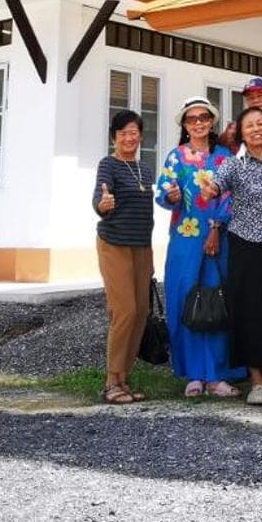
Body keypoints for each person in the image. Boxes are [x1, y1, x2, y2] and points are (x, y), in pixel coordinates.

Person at [199, 107, 262, 404]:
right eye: (249, 126)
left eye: (260, 124)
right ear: (241, 134)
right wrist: (209, 189)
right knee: (249, 311)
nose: (256, 129)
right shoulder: (234, 164)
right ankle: (257, 382)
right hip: (245, 246)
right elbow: (217, 184)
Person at [155, 99, 244, 398]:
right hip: (185, 240)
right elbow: (163, 193)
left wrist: (216, 228)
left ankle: (217, 375)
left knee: (218, 302)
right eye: (191, 119)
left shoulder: (224, 157)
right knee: (186, 302)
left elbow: (231, 197)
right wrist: (171, 196)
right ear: (184, 125)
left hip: (219, 238)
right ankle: (193, 374)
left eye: (203, 117)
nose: (198, 123)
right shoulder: (176, 157)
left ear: (211, 121)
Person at [92, 108, 155, 406]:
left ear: (140, 136)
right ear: (114, 138)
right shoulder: (108, 164)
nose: (129, 138)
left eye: (133, 132)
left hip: (142, 246)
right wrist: (102, 205)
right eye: (122, 133)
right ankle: (110, 382)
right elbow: (99, 198)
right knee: (124, 310)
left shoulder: (145, 169)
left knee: (141, 310)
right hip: (114, 243)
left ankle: (123, 378)